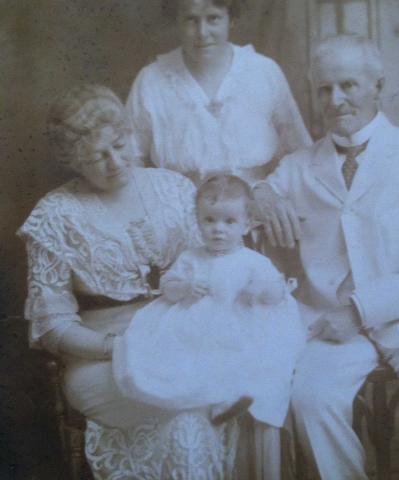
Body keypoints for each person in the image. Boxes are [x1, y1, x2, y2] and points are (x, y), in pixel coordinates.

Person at [254, 34, 399, 480]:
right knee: (311, 398)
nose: (336, 100)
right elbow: (247, 203)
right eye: (324, 89)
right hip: (335, 323)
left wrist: (360, 310)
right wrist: (259, 195)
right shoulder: (299, 165)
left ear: (378, 85)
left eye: (348, 85)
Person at [17, 85, 241, 479]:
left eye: (120, 145)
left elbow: (214, 268)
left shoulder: (174, 188)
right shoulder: (55, 215)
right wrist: (117, 347)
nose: (115, 162)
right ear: (73, 161)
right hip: (103, 358)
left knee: (242, 385)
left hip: (183, 344)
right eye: (96, 156)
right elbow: (52, 324)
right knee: (190, 411)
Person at [114, 174, 305, 429]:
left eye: (229, 221)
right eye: (210, 220)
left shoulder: (253, 261)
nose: (218, 228)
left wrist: (259, 290)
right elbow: (167, 287)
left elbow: (277, 293)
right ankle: (202, 397)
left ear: (246, 224)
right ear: (198, 221)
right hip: (198, 324)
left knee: (250, 355)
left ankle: (233, 397)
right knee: (184, 354)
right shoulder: (190, 258)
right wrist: (184, 288)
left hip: (240, 322)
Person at [126, 0, 311, 185]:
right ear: (178, 21)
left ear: (231, 19)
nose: (202, 33)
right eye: (191, 20)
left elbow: (298, 150)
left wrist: (271, 191)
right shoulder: (151, 80)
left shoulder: (263, 71)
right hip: (177, 204)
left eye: (213, 19)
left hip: (255, 201)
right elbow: (129, 156)